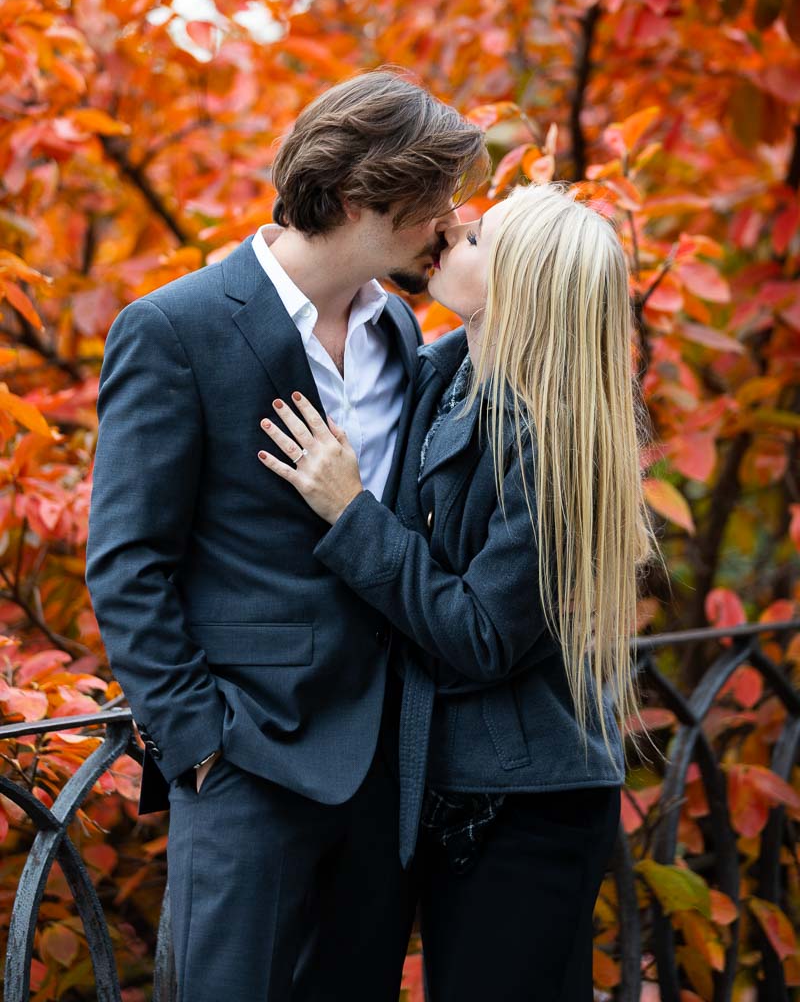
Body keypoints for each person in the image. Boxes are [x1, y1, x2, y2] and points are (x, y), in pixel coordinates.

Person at [85, 67, 490, 1001]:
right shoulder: (174, 328)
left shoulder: (402, 332)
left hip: (389, 772)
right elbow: (127, 563)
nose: (447, 223)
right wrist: (199, 746)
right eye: (434, 200)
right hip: (247, 766)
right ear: (357, 199)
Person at [256, 179, 661, 1002]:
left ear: (521, 287)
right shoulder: (442, 374)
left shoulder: (549, 435)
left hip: (524, 804)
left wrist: (351, 513)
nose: (453, 235)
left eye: (478, 240)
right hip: (446, 783)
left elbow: (482, 634)